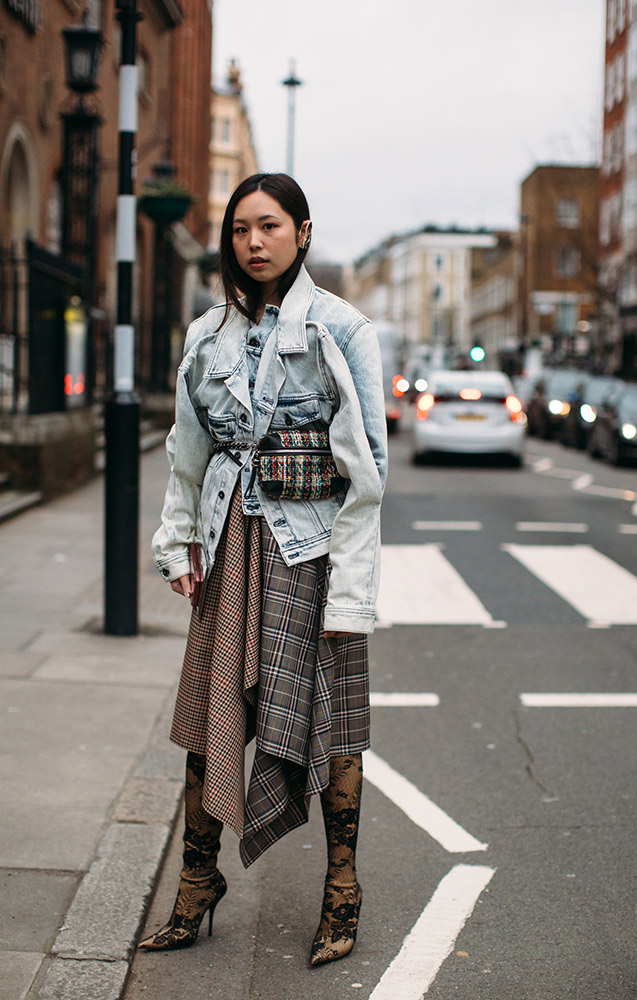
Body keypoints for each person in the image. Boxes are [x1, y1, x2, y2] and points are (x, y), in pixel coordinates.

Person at [140, 173, 387, 966]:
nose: (252, 241)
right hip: (230, 545)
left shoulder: (343, 329)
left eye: (269, 226)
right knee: (210, 720)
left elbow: (368, 471)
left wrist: (349, 595)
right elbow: (189, 451)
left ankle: (341, 891)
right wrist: (180, 542)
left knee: (332, 724)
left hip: (310, 549)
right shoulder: (204, 332)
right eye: (240, 228)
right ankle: (195, 883)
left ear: (302, 233)